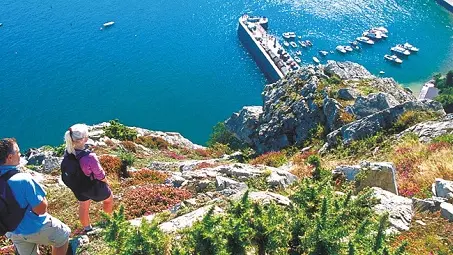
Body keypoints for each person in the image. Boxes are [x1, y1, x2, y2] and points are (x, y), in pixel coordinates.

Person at [0, 138, 70, 255]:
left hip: (10, 230)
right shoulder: (23, 179)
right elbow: (41, 209)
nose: (20, 154)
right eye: (17, 151)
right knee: (63, 236)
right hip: (33, 227)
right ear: (9, 158)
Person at [62, 124, 113, 233]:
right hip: (91, 186)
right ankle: (106, 222)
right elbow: (99, 174)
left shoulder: (68, 152)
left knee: (84, 205)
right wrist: (106, 182)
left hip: (78, 187)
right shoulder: (89, 157)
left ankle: (87, 228)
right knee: (109, 200)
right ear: (83, 139)